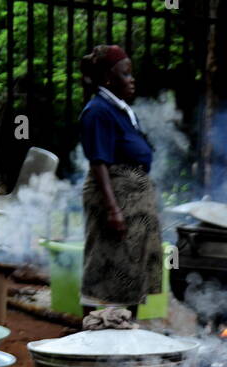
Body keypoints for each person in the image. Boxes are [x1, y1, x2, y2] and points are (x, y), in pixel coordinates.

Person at [79, 44, 163, 313]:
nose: (132, 79)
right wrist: (113, 209)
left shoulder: (120, 108)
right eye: (126, 74)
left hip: (133, 193)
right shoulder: (98, 111)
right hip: (114, 196)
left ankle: (124, 332)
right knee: (107, 265)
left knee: (130, 265)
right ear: (107, 79)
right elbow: (98, 162)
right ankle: (96, 331)